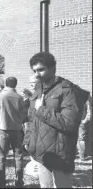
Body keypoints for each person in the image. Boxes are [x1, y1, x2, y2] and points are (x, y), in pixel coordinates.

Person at [23, 52, 90, 188]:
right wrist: (28, 141)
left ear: (53, 68)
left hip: (61, 154)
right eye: (34, 70)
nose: (37, 74)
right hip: (43, 154)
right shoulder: (38, 90)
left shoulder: (68, 90)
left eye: (41, 70)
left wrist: (42, 109)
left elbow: (69, 123)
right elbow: (31, 120)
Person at [0, 77, 26, 187]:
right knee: (18, 156)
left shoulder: (0, 96)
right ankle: (19, 180)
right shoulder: (20, 97)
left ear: (6, 84)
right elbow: (23, 114)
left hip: (3, 129)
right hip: (17, 130)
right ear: (15, 84)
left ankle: (1, 182)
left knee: (1, 157)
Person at [78, 94, 92, 161]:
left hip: (75, 121)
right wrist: (85, 121)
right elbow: (89, 112)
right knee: (81, 139)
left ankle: (79, 155)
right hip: (81, 121)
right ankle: (82, 156)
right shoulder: (86, 99)